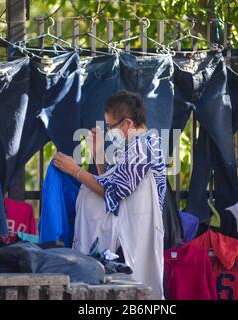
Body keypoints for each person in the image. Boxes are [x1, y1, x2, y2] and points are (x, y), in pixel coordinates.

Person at [53, 91, 166, 299]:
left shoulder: (143, 147)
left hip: (134, 237)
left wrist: (74, 170)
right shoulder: (135, 146)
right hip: (125, 235)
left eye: (111, 126)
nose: (109, 132)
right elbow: (114, 182)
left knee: (138, 293)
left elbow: (112, 192)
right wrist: (97, 155)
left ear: (127, 124)